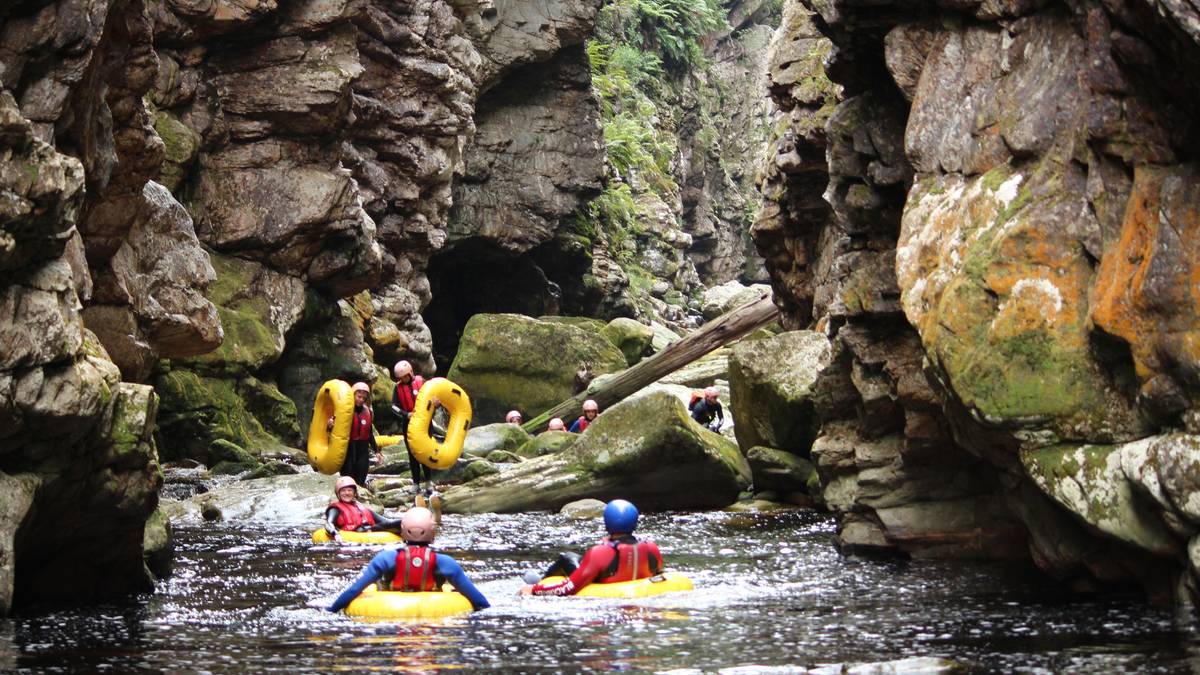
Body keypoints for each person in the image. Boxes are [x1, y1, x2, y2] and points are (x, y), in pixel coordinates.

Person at [326, 507, 490, 612]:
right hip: (433, 615)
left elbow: (354, 591)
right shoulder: (446, 563)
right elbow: (479, 601)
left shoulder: (385, 558)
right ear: (432, 533)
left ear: (403, 531)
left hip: (388, 613)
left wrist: (331, 610)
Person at [521, 499, 663, 596]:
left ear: (607, 523)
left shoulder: (600, 553)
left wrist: (534, 590)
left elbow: (568, 588)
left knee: (567, 558)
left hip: (600, 586)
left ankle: (540, 581)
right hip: (635, 588)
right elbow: (659, 575)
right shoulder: (651, 548)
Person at [391, 360, 434, 497]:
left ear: (410, 373)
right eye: (401, 377)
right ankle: (416, 483)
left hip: (425, 423)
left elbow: (433, 397)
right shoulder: (397, 388)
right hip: (409, 424)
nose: (404, 379)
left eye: (405, 376)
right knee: (413, 454)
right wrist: (406, 414)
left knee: (425, 452)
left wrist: (436, 404)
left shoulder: (422, 382)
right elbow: (394, 407)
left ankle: (429, 482)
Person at [330, 381, 380, 488]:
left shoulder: (367, 411)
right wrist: (330, 425)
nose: (361, 400)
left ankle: (361, 493)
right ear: (353, 395)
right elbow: (332, 430)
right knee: (347, 475)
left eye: (364, 398)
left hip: (363, 449)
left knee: (361, 475)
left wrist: (376, 451)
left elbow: (369, 434)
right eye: (359, 396)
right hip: (348, 448)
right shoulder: (343, 410)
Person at [323, 476, 402, 543]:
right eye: (343, 491)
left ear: (354, 493)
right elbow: (328, 523)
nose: (346, 493)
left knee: (398, 523)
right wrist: (335, 533)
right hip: (357, 532)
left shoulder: (360, 507)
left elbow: (385, 521)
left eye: (349, 490)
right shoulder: (335, 509)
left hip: (370, 530)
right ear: (338, 494)